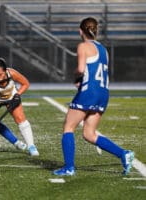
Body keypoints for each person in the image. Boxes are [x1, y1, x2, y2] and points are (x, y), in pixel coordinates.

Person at [53, 17, 134, 176]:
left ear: (80, 31)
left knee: (68, 128)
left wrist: (76, 77)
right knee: (89, 134)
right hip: (103, 93)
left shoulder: (83, 46)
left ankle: (69, 168)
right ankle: (124, 154)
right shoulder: (104, 49)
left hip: (89, 92)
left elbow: (81, 69)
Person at [0, 57, 39, 156]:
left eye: (0, 74)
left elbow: (26, 84)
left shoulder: (12, 73)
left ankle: (31, 146)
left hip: (12, 98)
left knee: (20, 119)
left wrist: (17, 94)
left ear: (5, 71)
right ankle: (17, 143)